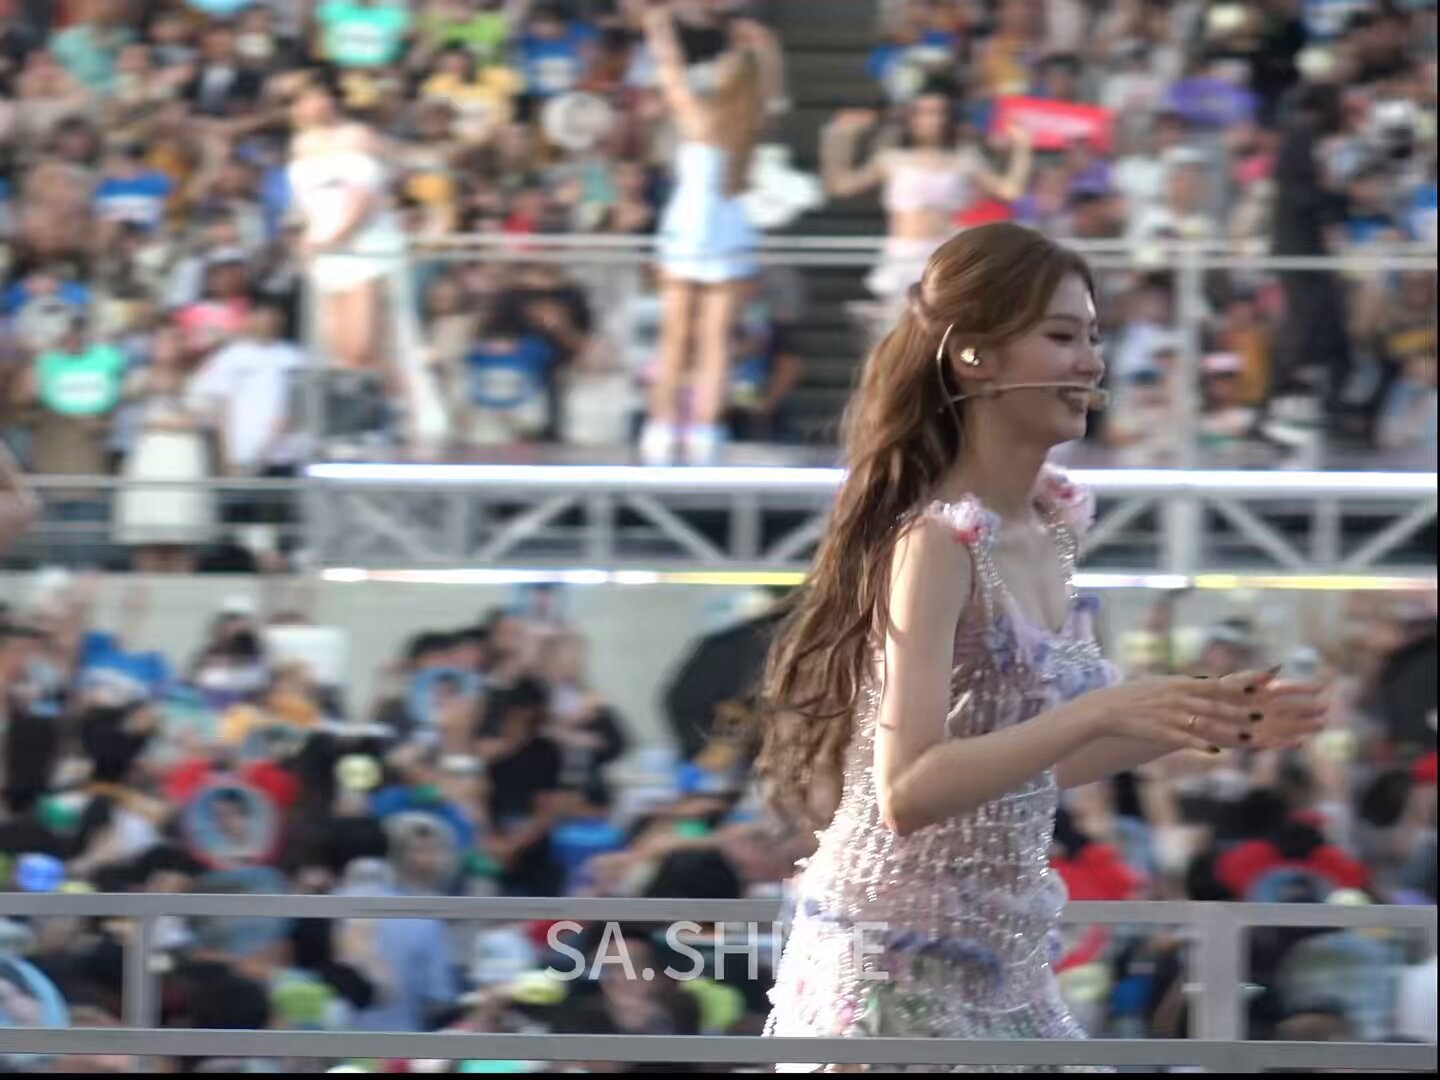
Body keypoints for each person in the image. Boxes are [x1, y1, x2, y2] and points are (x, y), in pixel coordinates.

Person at [756, 223, 1327, 1069]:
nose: (1091, 362)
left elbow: (1031, 769)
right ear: (974, 357)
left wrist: (1206, 717)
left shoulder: (1051, 527)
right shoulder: (936, 543)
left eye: (1093, 337)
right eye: (1063, 336)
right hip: (891, 969)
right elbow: (908, 791)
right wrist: (1103, 709)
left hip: (1007, 963)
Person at [286, 80, 448, 453]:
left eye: (313, 96)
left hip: (367, 249)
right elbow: (305, 204)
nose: (307, 106)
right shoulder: (299, 146)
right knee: (343, 352)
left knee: (367, 344)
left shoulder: (358, 136)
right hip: (326, 254)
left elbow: (366, 195)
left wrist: (334, 237)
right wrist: (307, 239)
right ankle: (363, 426)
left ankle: (406, 416)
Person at [639, 6, 766, 466]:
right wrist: (763, 49)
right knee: (715, 338)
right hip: (727, 226)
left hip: (691, 225)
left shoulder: (699, 115)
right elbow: (767, 82)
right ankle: (705, 429)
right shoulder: (748, 124)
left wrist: (657, 26)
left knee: (676, 335)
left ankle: (661, 425)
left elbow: (670, 70)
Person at [821, 83, 1032, 318]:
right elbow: (841, 186)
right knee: (900, 324)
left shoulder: (965, 160)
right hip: (902, 254)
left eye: (939, 112)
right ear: (911, 118)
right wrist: (839, 138)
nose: (932, 120)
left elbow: (1010, 190)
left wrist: (1022, 147)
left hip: (944, 253)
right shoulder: (891, 160)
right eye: (923, 112)